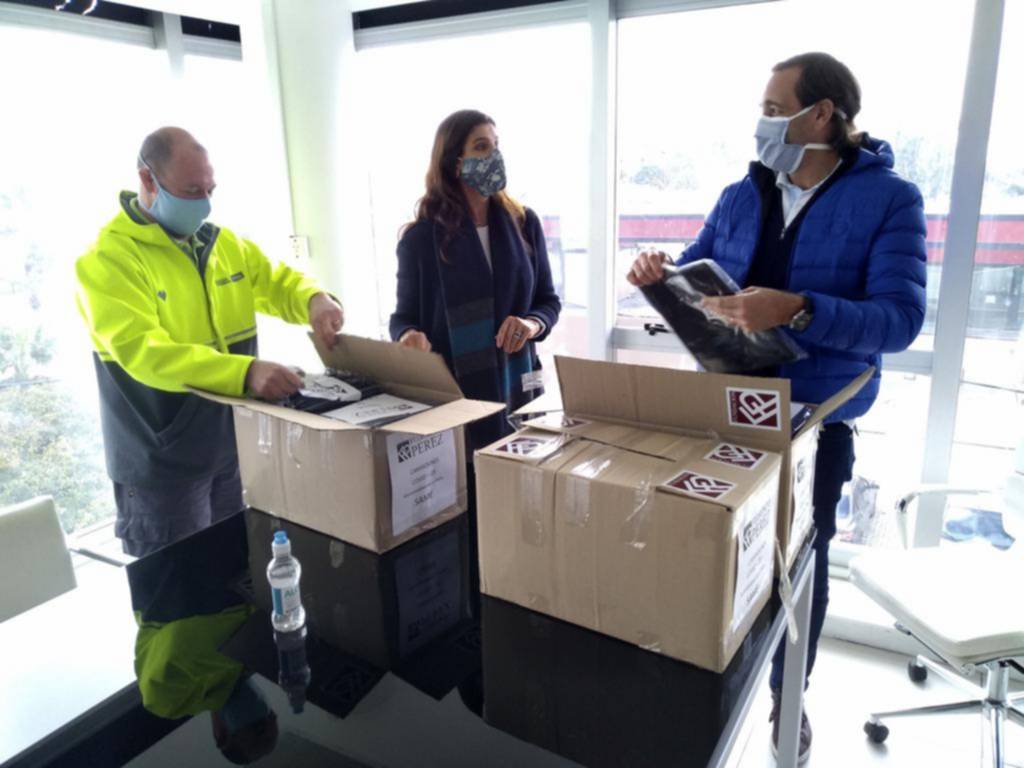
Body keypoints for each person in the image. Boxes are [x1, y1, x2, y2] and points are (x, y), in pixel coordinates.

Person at [627, 53, 926, 763]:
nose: (762, 123)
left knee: (799, 572)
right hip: (726, 408)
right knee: (710, 552)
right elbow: (696, 272)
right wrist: (659, 275)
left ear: (821, 114)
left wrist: (796, 310)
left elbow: (899, 320)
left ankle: (789, 697)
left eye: (772, 109)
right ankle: (704, 682)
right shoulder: (743, 193)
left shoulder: (890, 199)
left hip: (814, 422)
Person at [76, 127, 344, 558]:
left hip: (228, 451)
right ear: (147, 179)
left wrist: (314, 300)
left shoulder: (220, 244)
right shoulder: (109, 259)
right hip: (162, 470)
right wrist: (245, 373)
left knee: (234, 573)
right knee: (180, 587)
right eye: (191, 190)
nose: (203, 202)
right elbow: (146, 353)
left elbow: (276, 282)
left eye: (209, 190)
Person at [389, 109, 561, 451]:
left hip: (520, 388)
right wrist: (408, 336)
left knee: (521, 476)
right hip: (454, 397)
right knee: (468, 481)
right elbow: (402, 319)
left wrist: (530, 324)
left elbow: (548, 301)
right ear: (455, 163)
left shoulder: (524, 223)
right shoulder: (420, 240)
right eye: (482, 146)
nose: (494, 156)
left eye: (497, 145)